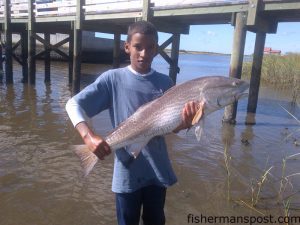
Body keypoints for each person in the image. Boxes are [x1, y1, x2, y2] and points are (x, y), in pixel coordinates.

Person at [66, 21, 199, 225]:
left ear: (156, 49)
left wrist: (187, 122)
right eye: (138, 47)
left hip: (157, 171)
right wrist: (88, 136)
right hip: (126, 174)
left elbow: (173, 128)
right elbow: (73, 104)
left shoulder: (166, 83)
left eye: (150, 48)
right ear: (127, 47)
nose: (144, 54)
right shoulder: (112, 79)